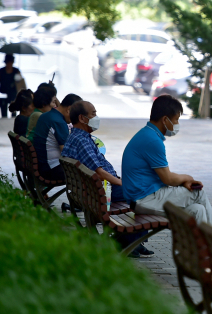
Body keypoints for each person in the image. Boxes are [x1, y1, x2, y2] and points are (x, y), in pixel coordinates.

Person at [62, 100, 154, 258]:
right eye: (93, 114)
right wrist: (122, 183)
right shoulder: (82, 140)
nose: (96, 117)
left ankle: (134, 241)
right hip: (98, 192)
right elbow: (100, 172)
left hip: (90, 191)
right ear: (82, 118)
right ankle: (128, 241)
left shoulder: (77, 136)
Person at [122, 95, 212, 226]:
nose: (177, 124)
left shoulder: (147, 134)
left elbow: (166, 177)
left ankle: (198, 246)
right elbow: (167, 179)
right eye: (176, 120)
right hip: (144, 199)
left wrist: (183, 182)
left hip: (143, 197)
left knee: (197, 210)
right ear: (165, 120)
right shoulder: (152, 141)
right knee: (198, 193)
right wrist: (187, 178)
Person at [33, 93, 82, 181]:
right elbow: (67, 153)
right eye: (75, 115)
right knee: (88, 172)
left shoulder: (46, 115)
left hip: (41, 164)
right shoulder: (59, 122)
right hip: (51, 169)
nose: (74, 120)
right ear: (69, 109)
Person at [0, 54, 24, 118]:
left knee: (14, 112)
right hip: (2, 93)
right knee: (3, 113)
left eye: (10, 62)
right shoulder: (0, 71)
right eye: (8, 63)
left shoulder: (16, 71)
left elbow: (21, 83)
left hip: (13, 94)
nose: (9, 64)